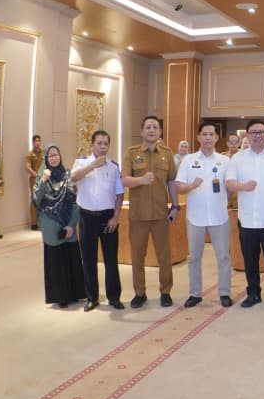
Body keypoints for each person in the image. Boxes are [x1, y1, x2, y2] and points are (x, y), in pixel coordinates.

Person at [122, 115, 179, 308]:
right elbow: (124, 180)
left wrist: (175, 206)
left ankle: (165, 292)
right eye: (148, 127)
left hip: (161, 214)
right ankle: (139, 293)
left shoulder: (168, 154)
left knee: (165, 256)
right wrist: (141, 180)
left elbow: (172, 182)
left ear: (160, 132)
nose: (152, 130)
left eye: (155, 127)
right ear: (141, 132)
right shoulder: (131, 153)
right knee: (138, 256)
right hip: (138, 215)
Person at [227, 119, 264, 309]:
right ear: (248, 135)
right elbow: (229, 183)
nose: (257, 135)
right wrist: (243, 186)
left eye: (261, 132)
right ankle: (253, 294)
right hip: (247, 219)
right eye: (253, 132)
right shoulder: (238, 158)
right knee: (250, 260)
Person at [175, 123, 233, 309]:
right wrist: (191, 186)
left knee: (223, 257)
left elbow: (230, 187)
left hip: (219, 216)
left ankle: (224, 292)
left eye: (211, 134)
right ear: (198, 137)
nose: (208, 137)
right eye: (204, 134)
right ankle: (195, 293)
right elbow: (179, 187)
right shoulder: (189, 160)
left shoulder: (225, 161)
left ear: (216, 137)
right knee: (194, 258)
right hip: (195, 217)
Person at [71, 130, 125, 312]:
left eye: (105, 144)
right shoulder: (81, 163)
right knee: (88, 259)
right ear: (92, 145)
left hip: (107, 217)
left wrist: (116, 217)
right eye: (99, 143)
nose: (102, 147)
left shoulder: (113, 167)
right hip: (86, 217)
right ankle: (92, 298)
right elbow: (73, 178)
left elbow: (119, 193)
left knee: (111, 259)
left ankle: (114, 297)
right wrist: (93, 165)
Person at [33, 145, 87, 308]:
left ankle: (75, 293)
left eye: (56, 154)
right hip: (50, 224)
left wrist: (71, 225)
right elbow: (36, 199)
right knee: (56, 260)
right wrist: (43, 180)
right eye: (50, 156)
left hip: (68, 222)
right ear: (46, 159)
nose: (54, 158)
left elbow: (75, 201)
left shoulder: (68, 175)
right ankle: (60, 296)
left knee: (71, 257)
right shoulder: (42, 177)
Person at [24, 134, 43, 230]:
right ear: (33, 142)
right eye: (36, 141)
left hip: (44, 179)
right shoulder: (30, 154)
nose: (37, 142)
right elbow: (27, 168)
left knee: (44, 200)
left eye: (39, 140)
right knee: (35, 200)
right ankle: (34, 223)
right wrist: (36, 175)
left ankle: (43, 221)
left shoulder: (44, 153)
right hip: (34, 180)